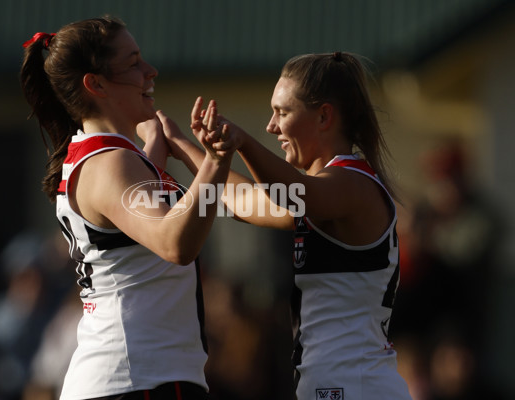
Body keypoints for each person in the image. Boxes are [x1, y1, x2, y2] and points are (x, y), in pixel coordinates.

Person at [159, 52, 411, 400]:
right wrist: (187, 147)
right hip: (338, 385)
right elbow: (241, 199)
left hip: (355, 386)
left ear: (324, 116)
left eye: (282, 112)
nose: (271, 126)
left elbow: (291, 193)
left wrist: (242, 142)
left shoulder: (352, 185)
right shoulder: (323, 193)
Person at [20, 16, 237, 400]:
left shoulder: (107, 156)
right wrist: (215, 163)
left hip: (131, 376)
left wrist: (158, 142)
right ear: (96, 83)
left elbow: (140, 200)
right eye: (134, 62)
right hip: (138, 379)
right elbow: (175, 244)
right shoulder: (110, 163)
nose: (150, 71)